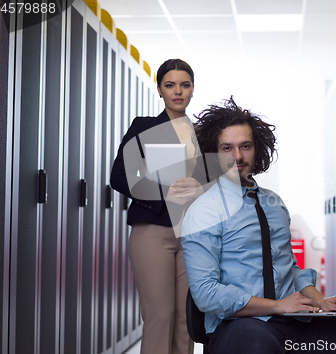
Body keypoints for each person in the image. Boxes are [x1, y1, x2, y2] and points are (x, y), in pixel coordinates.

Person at [180, 98, 336, 353]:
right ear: (213, 152)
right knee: (258, 343)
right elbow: (206, 293)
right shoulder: (204, 211)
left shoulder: (273, 203)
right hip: (237, 326)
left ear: (257, 148)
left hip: (292, 322)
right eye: (226, 148)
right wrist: (278, 306)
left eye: (245, 146)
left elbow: (289, 268)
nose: (237, 156)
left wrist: (320, 301)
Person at [111, 59, 206, 354]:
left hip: (193, 235)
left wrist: (201, 186)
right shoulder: (144, 126)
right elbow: (119, 176)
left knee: (185, 320)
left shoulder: (204, 133)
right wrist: (164, 191)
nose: (178, 91)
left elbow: (220, 179)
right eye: (170, 85)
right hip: (152, 231)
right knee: (159, 316)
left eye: (185, 84)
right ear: (160, 90)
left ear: (192, 89)